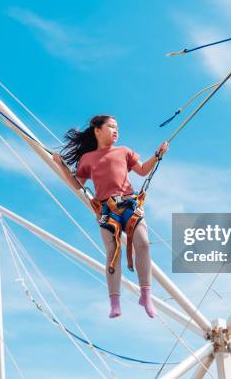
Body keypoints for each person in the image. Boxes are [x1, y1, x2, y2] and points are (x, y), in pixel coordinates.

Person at [52, 115, 168, 318]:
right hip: (107, 210)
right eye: (111, 127)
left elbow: (142, 170)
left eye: (117, 128)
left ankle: (146, 296)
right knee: (113, 252)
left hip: (130, 203)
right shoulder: (87, 159)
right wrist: (61, 166)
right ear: (97, 130)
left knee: (144, 244)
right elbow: (77, 185)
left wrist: (157, 155)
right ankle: (115, 302)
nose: (116, 131)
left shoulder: (123, 151)